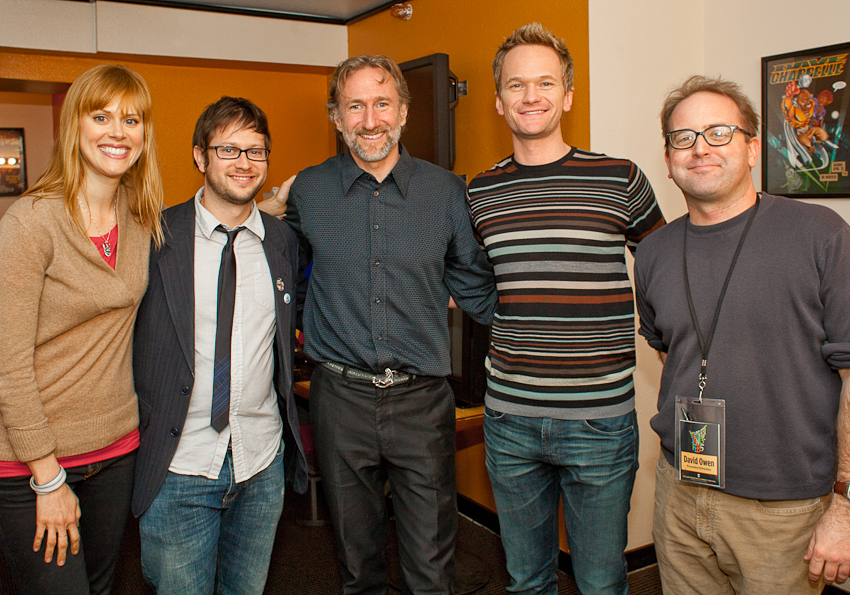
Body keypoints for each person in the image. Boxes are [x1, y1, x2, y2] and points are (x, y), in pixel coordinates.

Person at [261, 54, 498, 594]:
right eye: (355, 106)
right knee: (356, 561)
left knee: (431, 564)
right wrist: (268, 201)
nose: (371, 120)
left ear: (405, 112)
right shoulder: (309, 192)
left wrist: (538, 336)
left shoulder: (446, 193)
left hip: (421, 402)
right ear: (337, 118)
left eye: (382, 103)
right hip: (338, 399)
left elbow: (475, 285)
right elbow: (274, 264)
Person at [466, 23, 664, 595]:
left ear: (568, 96)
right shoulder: (479, 192)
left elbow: (665, 272)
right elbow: (478, 284)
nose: (531, 96)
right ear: (498, 100)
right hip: (508, 419)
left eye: (545, 83)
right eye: (517, 85)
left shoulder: (619, 179)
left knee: (602, 582)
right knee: (526, 580)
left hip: (599, 420)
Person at [634, 75, 850, 594]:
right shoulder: (654, 252)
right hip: (680, 494)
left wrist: (844, 504)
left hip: (784, 509)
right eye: (682, 138)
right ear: (667, 159)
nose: (699, 148)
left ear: (752, 148)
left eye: (718, 132)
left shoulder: (822, 235)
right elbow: (673, 355)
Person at [131, 96, 307, 595]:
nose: (244, 163)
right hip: (178, 466)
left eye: (256, 151)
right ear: (199, 156)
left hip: (260, 464)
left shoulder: (281, 242)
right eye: (228, 149)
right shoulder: (155, 236)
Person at [0, 64, 163, 595]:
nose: (118, 131)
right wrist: (47, 476)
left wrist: (265, 209)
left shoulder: (140, 218)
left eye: (132, 119)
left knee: (99, 588)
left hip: (116, 450)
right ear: (76, 124)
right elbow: (8, 362)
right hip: (32, 463)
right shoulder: (30, 222)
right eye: (102, 115)